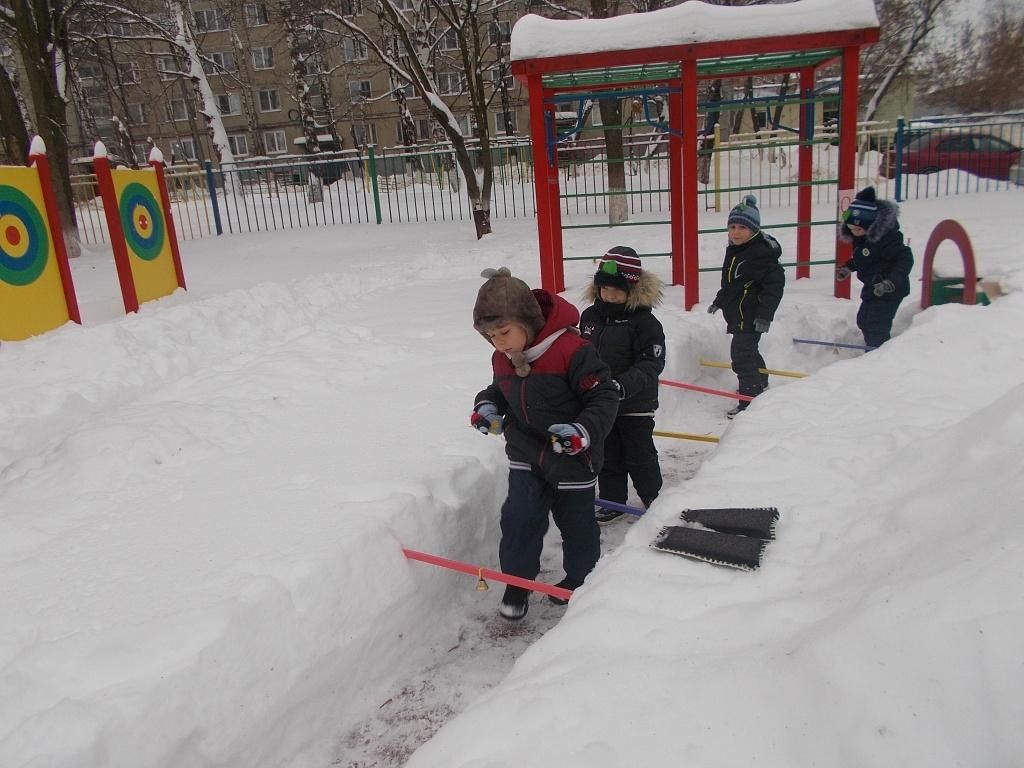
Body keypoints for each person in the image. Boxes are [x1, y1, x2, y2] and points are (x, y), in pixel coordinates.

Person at [471, 267, 619, 620]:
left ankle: (580, 582)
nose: (499, 343)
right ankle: (517, 583)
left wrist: (582, 431)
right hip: (526, 452)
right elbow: (503, 390)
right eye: (491, 336)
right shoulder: (502, 357)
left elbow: (604, 397)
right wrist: (486, 405)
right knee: (520, 518)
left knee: (577, 525)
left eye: (504, 332)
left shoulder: (572, 350)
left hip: (571, 456)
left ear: (526, 320)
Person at [579, 246, 666, 525]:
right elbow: (581, 354)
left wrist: (622, 386)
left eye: (617, 289)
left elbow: (651, 363)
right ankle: (612, 500)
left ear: (632, 289)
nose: (610, 294)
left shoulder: (645, 323)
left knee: (639, 453)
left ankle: (653, 496)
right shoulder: (590, 318)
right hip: (601, 403)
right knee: (607, 454)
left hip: (634, 403)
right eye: (604, 288)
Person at [708, 194, 785, 418]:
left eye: (742, 227)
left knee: (741, 356)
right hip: (739, 314)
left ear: (754, 229)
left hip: (751, 316)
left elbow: (774, 287)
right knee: (749, 352)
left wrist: (765, 316)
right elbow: (732, 284)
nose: (736, 232)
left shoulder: (761, 254)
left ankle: (748, 400)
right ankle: (760, 384)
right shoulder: (735, 251)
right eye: (732, 226)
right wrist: (719, 300)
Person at [836, 186, 914, 348]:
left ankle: (876, 356)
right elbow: (866, 258)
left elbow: (905, 258)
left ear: (870, 224)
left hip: (890, 289)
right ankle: (872, 347)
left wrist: (890, 282)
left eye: (857, 229)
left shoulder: (887, 239)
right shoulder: (862, 236)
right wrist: (848, 267)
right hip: (873, 285)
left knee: (876, 325)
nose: (854, 232)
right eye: (850, 229)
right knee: (863, 320)